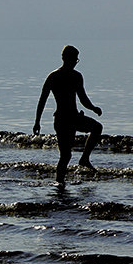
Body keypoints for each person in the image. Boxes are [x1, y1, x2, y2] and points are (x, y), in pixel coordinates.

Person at [34, 45, 103, 183]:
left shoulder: (77, 76)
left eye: (76, 60)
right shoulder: (53, 76)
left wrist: (93, 108)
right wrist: (37, 122)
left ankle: (84, 158)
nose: (75, 62)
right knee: (65, 156)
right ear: (65, 58)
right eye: (73, 59)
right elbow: (42, 100)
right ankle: (59, 184)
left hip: (75, 117)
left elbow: (83, 98)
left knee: (97, 127)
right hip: (61, 120)